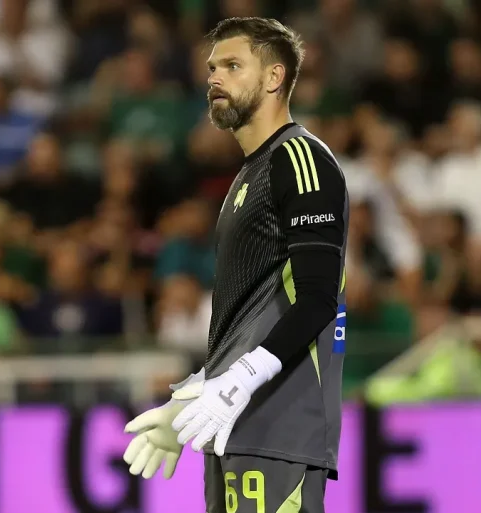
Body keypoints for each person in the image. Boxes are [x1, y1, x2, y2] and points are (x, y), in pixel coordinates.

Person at [123, 17, 350, 513]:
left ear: (274, 77)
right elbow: (250, 319)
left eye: (231, 66)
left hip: (281, 428)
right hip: (234, 426)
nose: (214, 79)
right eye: (211, 69)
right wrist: (191, 399)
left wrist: (240, 381)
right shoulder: (249, 174)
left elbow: (318, 300)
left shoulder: (300, 158)